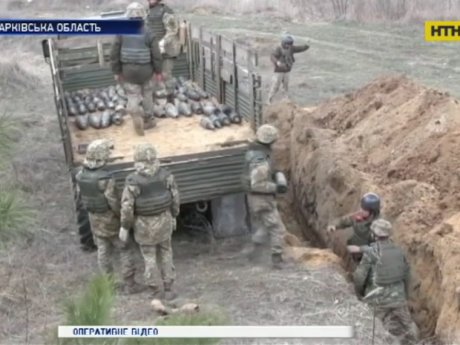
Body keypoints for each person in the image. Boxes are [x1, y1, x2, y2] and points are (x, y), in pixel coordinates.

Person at [75, 139, 143, 294]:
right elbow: (113, 201)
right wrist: (123, 219)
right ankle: (130, 284)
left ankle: (108, 284)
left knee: (103, 251)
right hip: (110, 219)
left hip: (94, 218)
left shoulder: (80, 175)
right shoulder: (105, 179)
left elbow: (80, 197)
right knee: (124, 248)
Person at [119, 143, 180, 300]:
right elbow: (175, 197)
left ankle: (155, 291)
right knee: (167, 253)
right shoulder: (166, 175)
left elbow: (127, 207)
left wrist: (125, 227)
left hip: (144, 225)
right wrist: (174, 215)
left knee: (149, 257)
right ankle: (169, 289)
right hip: (164, 219)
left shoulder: (133, 181)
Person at [352, 219, 418, 345]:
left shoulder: (370, 253)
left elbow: (359, 277)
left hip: (377, 301)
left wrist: (359, 294)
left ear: (373, 234)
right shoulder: (399, 251)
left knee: (372, 328)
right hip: (398, 299)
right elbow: (408, 276)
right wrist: (405, 296)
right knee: (409, 325)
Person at [110, 2, 164, 134]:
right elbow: (156, 55)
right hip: (147, 72)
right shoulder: (149, 32)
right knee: (147, 95)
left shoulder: (121, 32)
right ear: (143, 16)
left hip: (128, 73)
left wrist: (117, 72)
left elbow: (114, 54)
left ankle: (135, 113)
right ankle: (149, 120)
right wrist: (158, 72)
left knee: (132, 94)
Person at [243, 124, 288, 269]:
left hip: (255, 199)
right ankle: (277, 259)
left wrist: (273, 173)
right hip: (261, 199)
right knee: (277, 228)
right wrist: (277, 187)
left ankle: (253, 251)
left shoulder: (254, 151)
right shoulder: (260, 161)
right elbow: (257, 184)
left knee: (264, 225)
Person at [327, 192, 381, 263]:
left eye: (364, 209)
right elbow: (346, 220)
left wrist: (360, 249)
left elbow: (378, 248)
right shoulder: (359, 216)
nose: (361, 210)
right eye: (361, 208)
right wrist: (334, 225)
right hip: (355, 253)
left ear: (372, 212)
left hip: (367, 258)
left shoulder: (378, 225)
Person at [145, 0, 181, 103]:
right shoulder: (148, 11)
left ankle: (170, 97)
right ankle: (153, 98)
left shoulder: (166, 12)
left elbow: (173, 30)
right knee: (151, 74)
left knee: (166, 74)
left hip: (167, 50)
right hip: (153, 49)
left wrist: (162, 43)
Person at [267, 34, 310, 104]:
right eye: (288, 45)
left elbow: (300, 48)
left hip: (287, 71)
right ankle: (269, 99)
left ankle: (285, 99)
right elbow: (272, 56)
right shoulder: (278, 49)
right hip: (279, 71)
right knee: (275, 86)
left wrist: (307, 44)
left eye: (290, 45)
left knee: (285, 86)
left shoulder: (291, 48)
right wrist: (277, 62)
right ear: (284, 43)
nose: (289, 46)